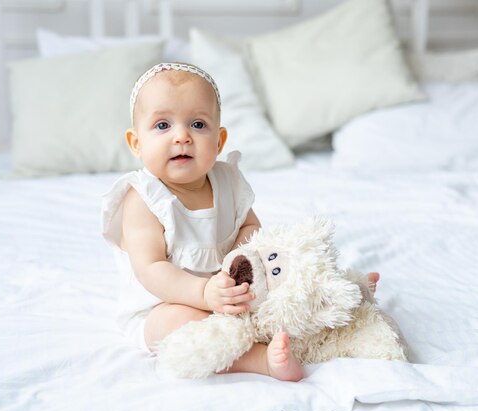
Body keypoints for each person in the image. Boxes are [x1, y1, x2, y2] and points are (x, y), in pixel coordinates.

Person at [102, 63, 380, 382]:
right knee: (182, 322)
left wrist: (240, 267)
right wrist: (204, 293)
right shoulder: (143, 199)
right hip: (162, 306)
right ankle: (261, 360)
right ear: (136, 142)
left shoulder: (227, 181)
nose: (181, 136)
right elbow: (151, 268)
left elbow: (250, 230)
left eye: (197, 124)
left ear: (219, 141)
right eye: (163, 125)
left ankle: (341, 294)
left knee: (286, 285)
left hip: (231, 293)